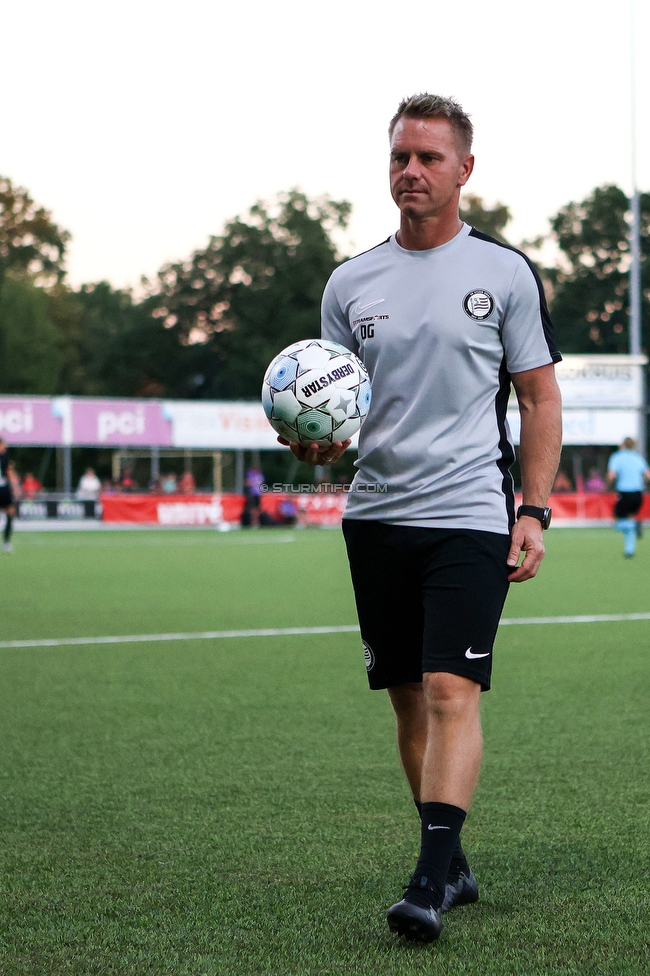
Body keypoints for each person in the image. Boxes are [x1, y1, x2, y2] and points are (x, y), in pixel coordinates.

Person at [278, 94, 562, 943]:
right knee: (407, 697)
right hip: (375, 516)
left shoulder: (505, 273)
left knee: (450, 687)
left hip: (471, 513)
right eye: (401, 155)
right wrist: (320, 450)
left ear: (464, 170)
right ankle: (455, 860)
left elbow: (541, 400)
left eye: (429, 158)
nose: (411, 170)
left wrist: (534, 510)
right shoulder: (349, 283)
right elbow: (339, 407)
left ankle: (429, 880)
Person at [606, 437, 650, 557]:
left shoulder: (617, 457)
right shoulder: (638, 458)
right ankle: (629, 550)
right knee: (630, 519)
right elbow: (648, 475)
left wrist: (607, 486)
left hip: (625, 493)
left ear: (623, 445)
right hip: (638, 494)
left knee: (616, 522)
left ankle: (635, 525)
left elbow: (611, 475)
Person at [0, 440, 17, 553]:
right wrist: (16, 485)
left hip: (3, 488)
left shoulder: (5, 456)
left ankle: (6, 542)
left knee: (10, 512)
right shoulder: (5, 456)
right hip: (2, 488)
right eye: (3, 445)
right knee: (10, 512)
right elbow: (10, 472)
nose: (4, 447)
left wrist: (14, 485)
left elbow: (9, 472)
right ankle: (6, 543)